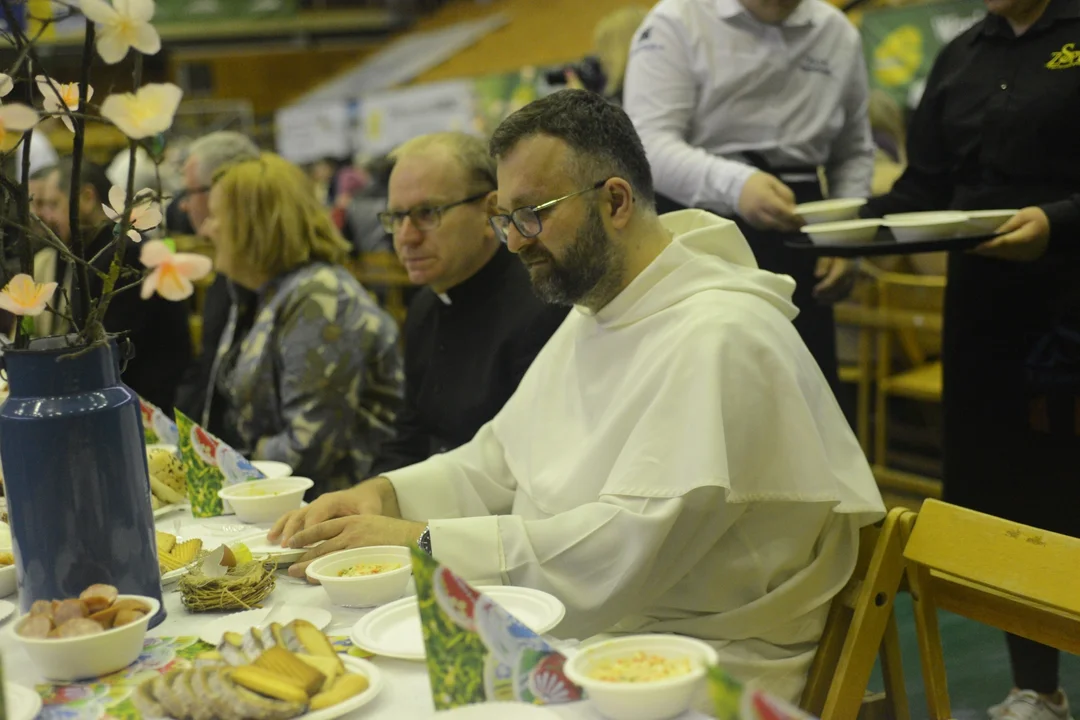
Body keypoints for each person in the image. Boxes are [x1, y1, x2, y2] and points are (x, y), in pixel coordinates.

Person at [269, 91, 884, 702]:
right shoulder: (603, 308)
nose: (513, 242)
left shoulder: (723, 337)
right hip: (603, 634)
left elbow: (623, 550)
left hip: (707, 666)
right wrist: (385, 492)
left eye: (532, 213)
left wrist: (422, 540)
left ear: (615, 200)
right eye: (505, 217)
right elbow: (498, 459)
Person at [861, 0, 1080, 716]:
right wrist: (852, 236)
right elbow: (925, 185)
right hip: (985, 316)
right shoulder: (961, 58)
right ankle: (1036, 687)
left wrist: (1058, 221)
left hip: (1071, 301)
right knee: (1007, 498)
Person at [622, 0, 875, 389]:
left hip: (802, 227)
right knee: (709, 390)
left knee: (804, 391)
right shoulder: (677, 20)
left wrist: (842, 235)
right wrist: (736, 186)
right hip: (700, 224)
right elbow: (647, 142)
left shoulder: (836, 32)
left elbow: (853, 150)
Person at [203, 153, 403, 497]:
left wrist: (229, 461)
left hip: (338, 504)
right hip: (286, 498)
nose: (206, 229)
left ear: (252, 223)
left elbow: (308, 450)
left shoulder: (320, 298)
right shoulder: (264, 292)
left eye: (215, 216)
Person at [370, 132, 567, 476]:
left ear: (490, 212)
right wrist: (366, 497)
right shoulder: (422, 308)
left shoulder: (542, 306)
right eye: (396, 217)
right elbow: (410, 435)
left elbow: (527, 466)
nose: (406, 237)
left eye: (427, 213)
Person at [36, 159, 191, 412]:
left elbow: (109, 353)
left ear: (87, 198)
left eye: (54, 204)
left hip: (146, 407)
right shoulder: (89, 252)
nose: (46, 217)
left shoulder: (125, 255)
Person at [172, 131, 261, 440]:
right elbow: (206, 372)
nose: (183, 206)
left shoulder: (266, 281)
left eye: (190, 192)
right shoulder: (226, 278)